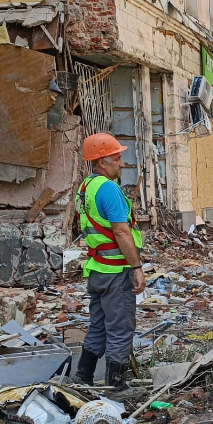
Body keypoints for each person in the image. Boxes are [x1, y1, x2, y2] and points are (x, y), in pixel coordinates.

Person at [70, 133, 146, 395]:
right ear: (102, 161)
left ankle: (83, 377)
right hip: (116, 272)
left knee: (98, 325)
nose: (121, 163)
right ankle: (116, 385)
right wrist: (137, 268)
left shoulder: (85, 187)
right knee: (120, 328)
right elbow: (122, 232)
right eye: (117, 158)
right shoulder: (109, 189)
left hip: (97, 270)